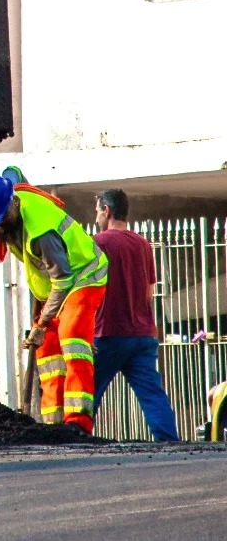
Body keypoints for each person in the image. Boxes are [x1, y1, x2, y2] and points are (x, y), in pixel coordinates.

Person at [0, 171, 108, 435]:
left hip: (84, 276)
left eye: (0, 219)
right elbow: (12, 172)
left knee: (72, 340)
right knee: (46, 349)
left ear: (13, 203)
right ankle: (52, 424)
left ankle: (78, 423)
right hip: (54, 287)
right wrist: (41, 324)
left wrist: (43, 321)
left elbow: (63, 279)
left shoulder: (41, 231)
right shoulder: (10, 215)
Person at [92, 189, 179, 441]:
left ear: (107, 211)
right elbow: (149, 293)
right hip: (142, 334)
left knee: (88, 392)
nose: (96, 217)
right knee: (152, 393)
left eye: (97, 211)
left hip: (108, 333)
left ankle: (77, 438)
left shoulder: (98, 243)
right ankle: (170, 442)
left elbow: (89, 290)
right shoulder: (142, 244)